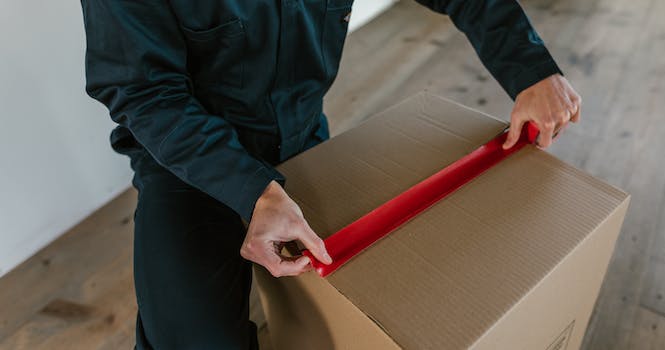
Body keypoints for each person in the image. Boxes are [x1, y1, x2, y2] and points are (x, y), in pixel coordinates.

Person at [80, 0, 581, 348]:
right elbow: (143, 92)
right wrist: (253, 192)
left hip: (301, 141)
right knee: (192, 341)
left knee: (360, 313)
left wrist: (531, 67)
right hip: (186, 167)